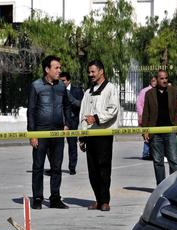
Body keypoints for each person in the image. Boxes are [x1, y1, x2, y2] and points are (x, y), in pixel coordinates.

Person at [27, 55, 71, 210]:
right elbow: (31, 111)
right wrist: (32, 133)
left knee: (57, 166)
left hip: (58, 132)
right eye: (56, 67)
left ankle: (55, 198)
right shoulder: (36, 86)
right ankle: (38, 198)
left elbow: (66, 106)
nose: (59, 70)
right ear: (47, 69)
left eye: (60, 67)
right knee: (38, 166)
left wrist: (66, 124)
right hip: (41, 132)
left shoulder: (61, 87)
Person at [78, 60, 119, 212]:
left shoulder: (110, 89)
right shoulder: (88, 92)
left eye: (93, 72)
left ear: (101, 71)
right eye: (89, 72)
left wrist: (96, 117)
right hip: (90, 135)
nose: (90, 75)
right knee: (92, 170)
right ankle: (97, 199)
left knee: (103, 168)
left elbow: (113, 109)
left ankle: (105, 201)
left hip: (104, 134)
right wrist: (81, 136)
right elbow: (82, 114)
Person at [142, 70, 177, 185]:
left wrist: (176, 124)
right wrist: (145, 131)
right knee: (158, 161)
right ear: (157, 79)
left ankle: (175, 186)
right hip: (155, 132)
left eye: (166, 78)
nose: (164, 80)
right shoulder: (149, 93)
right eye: (162, 78)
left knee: (173, 160)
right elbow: (146, 113)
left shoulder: (173, 91)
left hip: (170, 131)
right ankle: (161, 187)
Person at [60, 71, 84, 175]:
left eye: (63, 81)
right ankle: (55, 167)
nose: (61, 82)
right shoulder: (57, 90)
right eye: (60, 81)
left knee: (72, 145)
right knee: (57, 146)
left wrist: (71, 98)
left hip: (73, 121)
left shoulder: (77, 91)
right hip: (60, 121)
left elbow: (81, 105)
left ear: (68, 80)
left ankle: (72, 167)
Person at [136, 76, 157, 160]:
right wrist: (141, 115)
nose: (154, 82)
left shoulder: (158, 91)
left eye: (155, 81)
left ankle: (153, 153)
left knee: (154, 136)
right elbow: (139, 104)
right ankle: (146, 153)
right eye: (153, 81)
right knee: (146, 135)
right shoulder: (144, 91)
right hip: (146, 117)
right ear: (150, 82)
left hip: (154, 117)